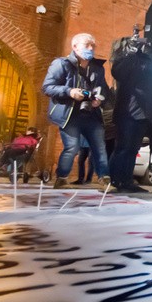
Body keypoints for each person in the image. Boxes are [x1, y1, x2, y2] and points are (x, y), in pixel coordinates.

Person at [42, 33, 111, 189]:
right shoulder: (61, 64)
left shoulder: (97, 68)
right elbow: (47, 87)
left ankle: (105, 179)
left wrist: (99, 99)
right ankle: (62, 178)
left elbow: (105, 90)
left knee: (99, 147)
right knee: (72, 147)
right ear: (74, 46)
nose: (91, 48)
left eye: (93, 46)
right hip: (70, 113)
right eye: (87, 45)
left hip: (91, 114)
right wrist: (70, 92)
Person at [109, 31, 152, 193]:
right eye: (141, 45)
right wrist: (132, 55)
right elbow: (117, 72)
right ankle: (114, 180)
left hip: (143, 114)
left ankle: (126, 181)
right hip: (127, 113)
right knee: (123, 147)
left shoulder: (149, 63)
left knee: (133, 149)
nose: (145, 47)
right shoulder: (125, 61)